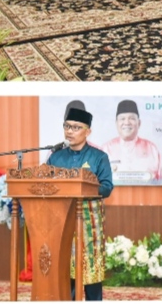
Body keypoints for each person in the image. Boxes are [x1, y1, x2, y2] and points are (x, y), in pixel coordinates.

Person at [47, 106, 113, 301]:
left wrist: (84, 187)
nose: (70, 131)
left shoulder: (99, 157)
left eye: (76, 127)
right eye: (67, 126)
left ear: (88, 131)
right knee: (66, 273)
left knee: (91, 274)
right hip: (61, 221)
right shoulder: (56, 157)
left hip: (88, 224)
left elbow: (107, 187)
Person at [101, 100, 162, 181]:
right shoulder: (105, 149)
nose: (127, 122)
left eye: (132, 118)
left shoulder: (151, 148)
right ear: (116, 123)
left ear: (139, 123)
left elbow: (161, 181)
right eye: (122, 119)